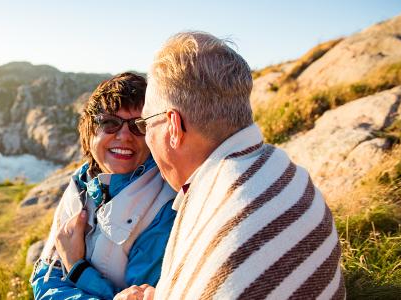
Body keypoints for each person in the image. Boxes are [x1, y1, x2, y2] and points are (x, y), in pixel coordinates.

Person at [119, 31, 345, 299]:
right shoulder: (287, 172)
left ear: (173, 126)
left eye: (145, 124)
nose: (145, 136)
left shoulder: (210, 209)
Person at [30, 72, 177, 299]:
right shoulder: (80, 184)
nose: (125, 136)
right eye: (110, 123)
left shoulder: (165, 206)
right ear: (89, 131)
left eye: (139, 125)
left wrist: (76, 268)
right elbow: (45, 279)